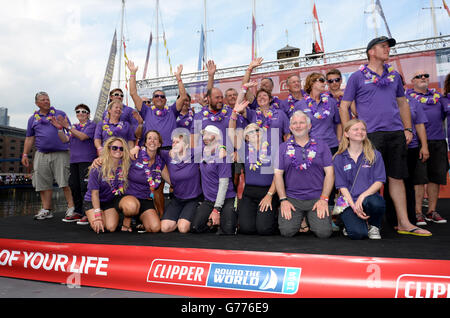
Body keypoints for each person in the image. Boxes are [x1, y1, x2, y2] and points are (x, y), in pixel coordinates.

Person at [340, 36, 431, 237]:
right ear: (371, 51)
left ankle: (404, 223)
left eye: (388, 47)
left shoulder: (394, 76)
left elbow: (402, 103)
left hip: (395, 134)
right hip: (370, 135)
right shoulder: (357, 77)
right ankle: (367, 223)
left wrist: (408, 129)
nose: (387, 49)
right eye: (383, 46)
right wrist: (348, 135)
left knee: (396, 178)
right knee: (366, 179)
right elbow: (344, 106)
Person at [274, 110, 334, 238]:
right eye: (295, 123)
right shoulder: (283, 147)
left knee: (324, 233)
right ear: (290, 127)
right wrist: (283, 200)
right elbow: (278, 175)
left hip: (317, 198)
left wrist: (324, 199)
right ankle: (301, 218)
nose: (298, 126)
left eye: (302, 122)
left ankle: (307, 219)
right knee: (287, 232)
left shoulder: (322, 146)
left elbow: (330, 173)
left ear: (309, 126)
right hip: (292, 199)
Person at [21, 91, 75, 220]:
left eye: (48, 99)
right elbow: (29, 138)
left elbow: (71, 131)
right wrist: (24, 154)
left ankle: (72, 208)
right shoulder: (32, 119)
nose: (46, 101)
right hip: (41, 154)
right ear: (37, 103)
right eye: (43, 100)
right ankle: (46, 209)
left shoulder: (60, 114)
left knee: (65, 181)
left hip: (61, 153)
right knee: (42, 183)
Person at [406, 70, 448, 224]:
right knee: (418, 179)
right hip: (417, 143)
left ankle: (431, 211)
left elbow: (444, 115)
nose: (423, 78)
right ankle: (417, 212)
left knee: (435, 178)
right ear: (412, 81)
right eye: (418, 76)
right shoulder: (407, 98)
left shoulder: (439, 98)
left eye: (426, 75)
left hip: (438, 142)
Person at [333, 119, 386, 240]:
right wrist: (354, 206)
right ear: (346, 134)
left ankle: (374, 226)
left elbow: (379, 181)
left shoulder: (374, 154)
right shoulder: (339, 157)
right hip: (349, 201)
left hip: (368, 199)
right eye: (355, 129)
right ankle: (349, 223)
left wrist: (362, 197)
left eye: (363, 129)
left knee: (376, 203)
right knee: (358, 234)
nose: (360, 132)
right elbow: (342, 186)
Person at [127, 60, 188, 149]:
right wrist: (132, 73)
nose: (159, 98)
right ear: (153, 100)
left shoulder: (172, 110)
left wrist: (178, 77)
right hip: (152, 149)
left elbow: (183, 96)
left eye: (162, 96)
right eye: (157, 96)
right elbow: (133, 93)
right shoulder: (146, 111)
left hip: (170, 149)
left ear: (165, 100)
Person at [119, 130, 170, 233]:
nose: (152, 141)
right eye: (149, 138)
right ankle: (127, 219)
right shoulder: (134, 156)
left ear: (159, 144)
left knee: (155, 228)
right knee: (132, 207)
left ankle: (139, 219)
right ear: (145, 143)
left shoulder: (160, 163)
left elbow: (171, 181)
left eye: (156, 139)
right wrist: (100, 160)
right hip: (129, 197)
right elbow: (115, 160)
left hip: (146, 200)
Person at [191, 125, 237, 235]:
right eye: (204, 135)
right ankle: (212, 223)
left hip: (226, 199)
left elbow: (223, 184)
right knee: (195, 227)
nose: (204, 137)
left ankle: (225, 219)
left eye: (208, 134)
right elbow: (183, 150)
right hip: (209, 199)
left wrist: (217, 209)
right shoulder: (202, 152)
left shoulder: (222, 156)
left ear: (216, 137)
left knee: (228, 230)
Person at [234, 123, 279, 235]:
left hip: (268, 192)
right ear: (247, 138)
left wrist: (269, 195)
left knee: (264, 229)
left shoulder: (272, 149)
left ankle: (275, 218)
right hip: (249, 193)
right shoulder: (245, 149)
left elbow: (278, 175)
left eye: (257, 130)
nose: (255, 133)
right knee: (246, 229)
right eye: (250, 132)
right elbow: (230, 133)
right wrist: (234, 113)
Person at [56, 104, 97, 224]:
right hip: (74, 161)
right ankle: (78, 211)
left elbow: (83, 137)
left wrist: (67, 127)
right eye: (78, 111)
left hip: (86, 160)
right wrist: (59, 128)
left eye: (84, 111)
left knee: (85, 187)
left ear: (88, 114)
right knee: (74, 186)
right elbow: (65, 139)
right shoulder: (75, 127)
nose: (80, 113)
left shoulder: (91, 125)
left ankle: (87, 213)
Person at [84, 137, 131, 233]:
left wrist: (137, 148)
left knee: (111, 227)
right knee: (100, 228)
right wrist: (97, 215)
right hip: (93, 202)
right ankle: (92, 215)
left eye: (121, 148)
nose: (118, 150)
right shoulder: (97, 167)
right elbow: (94, 194)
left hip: (109, 202)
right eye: (114, 148)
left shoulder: (125, 166)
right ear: (108, 149)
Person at [160, 131, 202, 233]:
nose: (174, 144)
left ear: (187, 145)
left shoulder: (194, 154)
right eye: (173, 142)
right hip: (177, 198)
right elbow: (152, 150)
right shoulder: (168, 155)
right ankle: (180, 219)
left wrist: (222, 148)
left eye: (178, 142)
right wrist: (138, 149)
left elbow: (211, 147)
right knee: (164, 228)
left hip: (193, 198)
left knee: (183, 228)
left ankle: (199, 217)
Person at [293, 72, 342, 153]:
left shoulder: (331, 101)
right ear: (312, 83)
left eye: (325, 81)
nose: (325, 83)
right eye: (322, 80)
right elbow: (295, 128)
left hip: (332, 146)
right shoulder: (300, 105)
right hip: (310, 147)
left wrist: (339, 140)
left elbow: (338, 123)